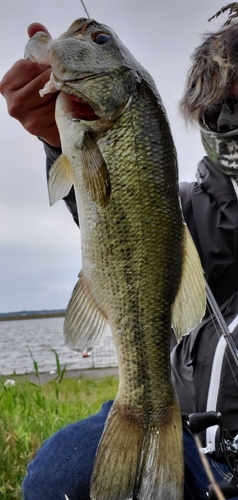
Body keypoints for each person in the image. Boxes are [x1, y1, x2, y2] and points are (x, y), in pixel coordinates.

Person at [1, 17, 238, 500]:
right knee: (64, 471)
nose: (232, 121)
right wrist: (58, 139)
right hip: (193, 443)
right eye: (225, 109)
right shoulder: (192, 211)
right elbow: (117, 214)